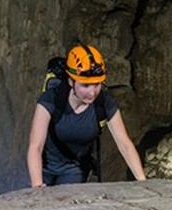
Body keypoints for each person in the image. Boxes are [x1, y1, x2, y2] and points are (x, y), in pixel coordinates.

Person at [27, 43, 146, 187]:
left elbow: (124, 144)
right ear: (71, 81)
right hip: (44, 166)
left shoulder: (104, 103)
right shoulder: (51, 100)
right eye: (85, 85)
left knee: (65, 205)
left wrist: (142, 181)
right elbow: (35, 146)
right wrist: (37, 186)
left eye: (97, 85)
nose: (92, 92)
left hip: (74, 169)